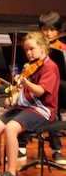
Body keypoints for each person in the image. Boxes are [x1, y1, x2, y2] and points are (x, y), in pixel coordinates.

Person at [0, 31, 60, 176]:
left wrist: (25, 82)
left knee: (11, 128)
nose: (28, 52)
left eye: (32, 49)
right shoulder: (30, 66)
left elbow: (40, 91)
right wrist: (14, 97)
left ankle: (11, 173)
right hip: (25, 106)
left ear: (42, 48)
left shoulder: (50, 67)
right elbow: (22, 91)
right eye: (26, 50)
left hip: (42, 109)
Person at [17, 12, 66, 164]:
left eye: (52, 30)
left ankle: (56, 150)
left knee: (54, 110)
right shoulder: (34, 48)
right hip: (36, 88)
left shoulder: (62, 49)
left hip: (58, 88)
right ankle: (21, 146)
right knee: (23, 107)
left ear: (58, 31)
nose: (48, 33)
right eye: (45, 29)